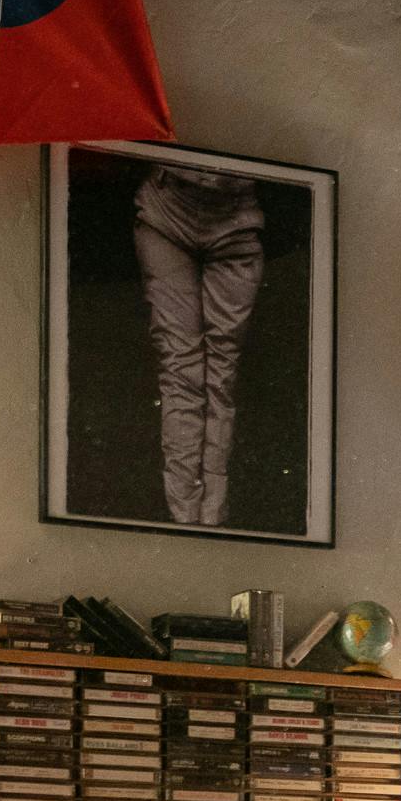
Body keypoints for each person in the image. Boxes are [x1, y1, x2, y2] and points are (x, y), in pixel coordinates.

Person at [133, 162, 267, 528]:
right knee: (181, 368)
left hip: (237, 220)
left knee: (220, 376)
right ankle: (186, 520)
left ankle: (210, 521)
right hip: (167, 213)